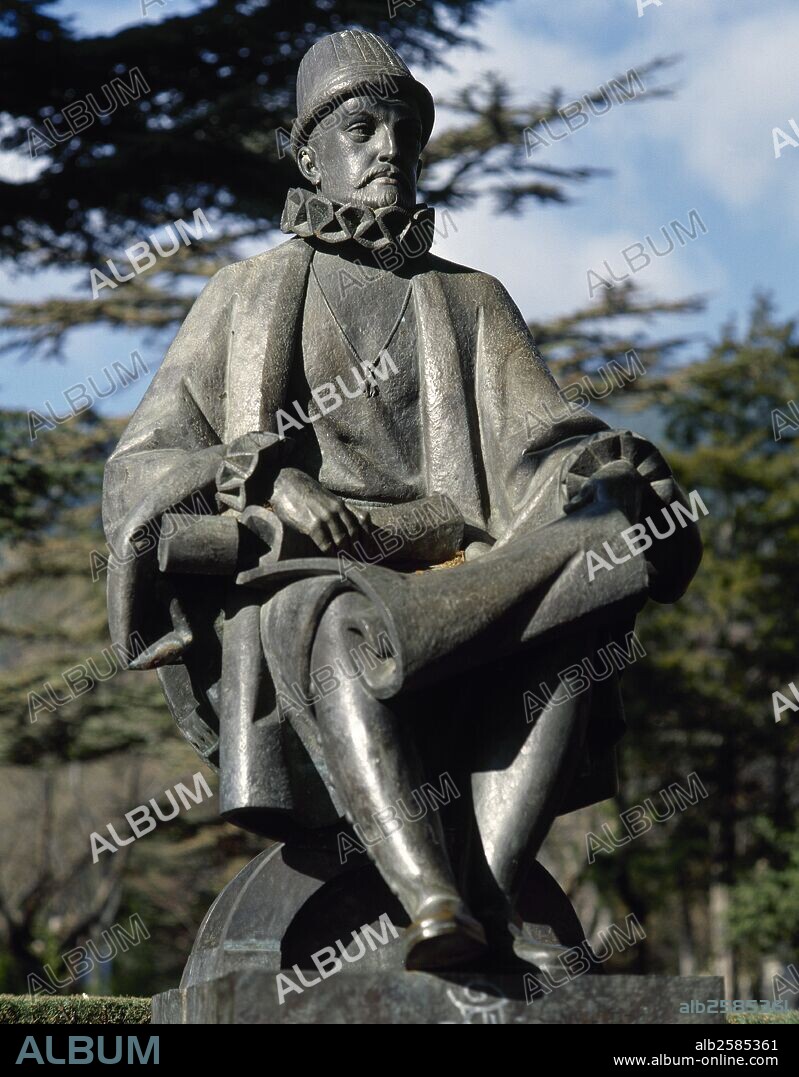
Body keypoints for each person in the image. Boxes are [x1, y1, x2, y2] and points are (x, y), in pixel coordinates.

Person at [103, 30, 701, 972]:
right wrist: (263, 480)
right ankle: (432, 897)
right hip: (313, 577)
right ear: (309, 154)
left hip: (467, 570)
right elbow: (143, 464)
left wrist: (608, 475)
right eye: (362, 127)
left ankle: (493, 898)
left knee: (592, 570)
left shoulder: (472, 301)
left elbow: (543, 447)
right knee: (336, 620)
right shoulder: (244, 294)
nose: (390, 149)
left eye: (405, 133)